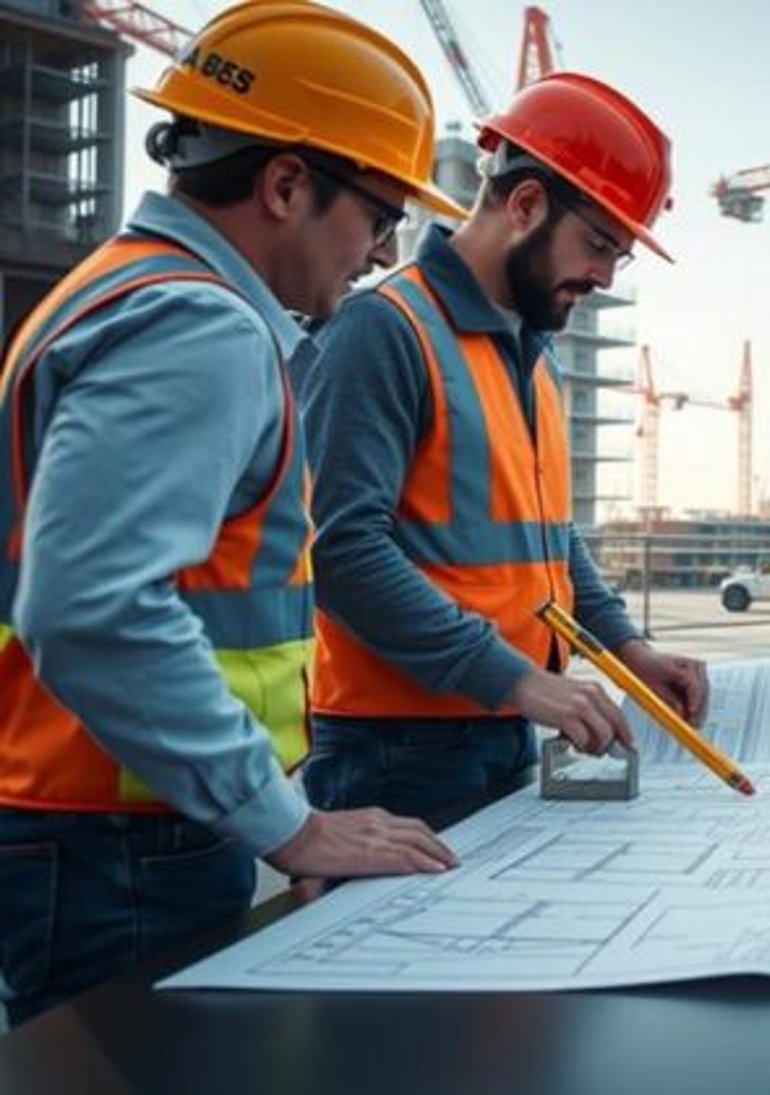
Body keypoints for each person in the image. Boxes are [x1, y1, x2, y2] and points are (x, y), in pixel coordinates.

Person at [0, 1, 465, 1025]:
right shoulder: (197, 325)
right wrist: (285, 825)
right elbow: (92, 608)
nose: (384, 252)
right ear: (287, 184)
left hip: (106, 826)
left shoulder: (119, 292)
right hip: (122, 844)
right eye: (379, 215)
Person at [301, 73, 709, 821]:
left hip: (504, 722)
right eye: (597, 244)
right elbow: (341, 552)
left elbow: (548, 545)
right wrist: (514, 678)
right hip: (394, 751)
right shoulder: (384, 329)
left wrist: (628, 650)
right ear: (524, 205)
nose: (604, 276)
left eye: (620, 255)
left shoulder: (533, 355)